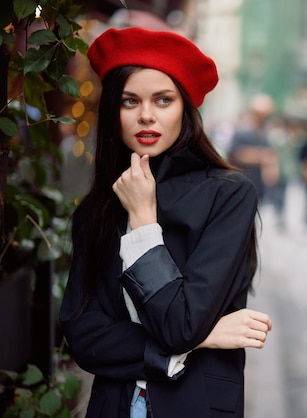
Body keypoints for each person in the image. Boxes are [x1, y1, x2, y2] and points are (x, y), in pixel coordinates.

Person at [59, 27, 272, 418]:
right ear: (113, 111)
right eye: (129, 101)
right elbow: (83, 337)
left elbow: (179, 326)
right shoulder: (97, 209)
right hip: (114, 407)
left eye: (163, 100)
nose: (146, 115)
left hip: (197, 405)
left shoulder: (228, 195)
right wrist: (205, 338)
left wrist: (143, 222)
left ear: (184, 108)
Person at [228, 94, 277, 204]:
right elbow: (236, 154)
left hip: (258, 182)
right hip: (243, 179)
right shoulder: (243, 131)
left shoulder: (264, 133)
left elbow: (270, 155)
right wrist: (260, 156)